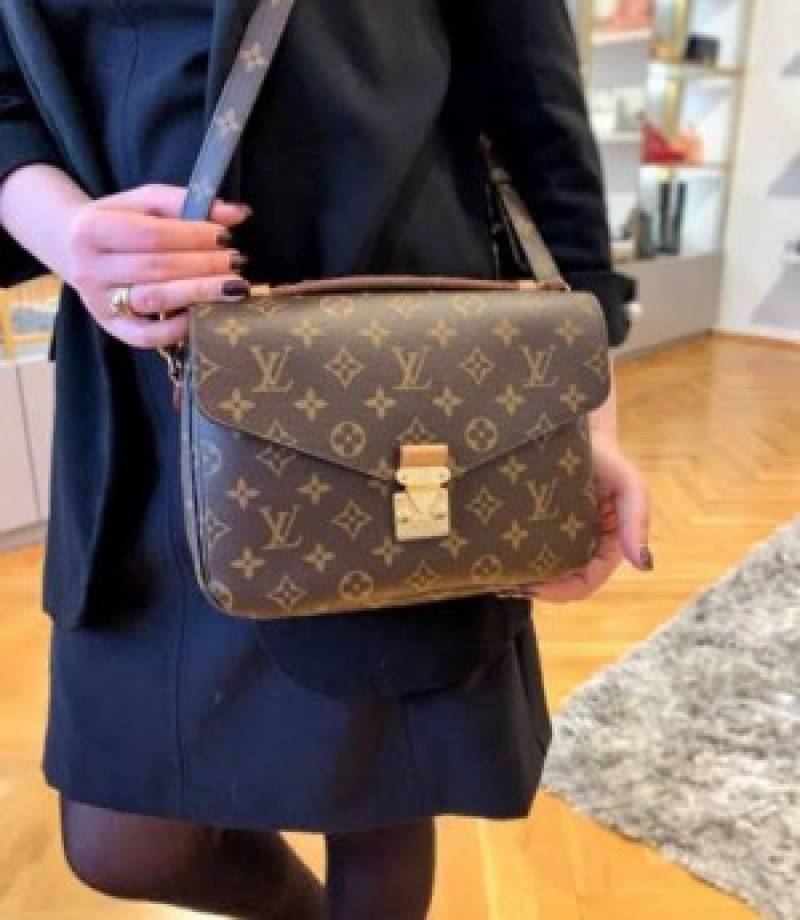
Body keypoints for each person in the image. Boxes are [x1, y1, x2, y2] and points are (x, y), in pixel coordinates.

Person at [0, 0, 652, 917]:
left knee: (379, 790)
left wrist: (590, 418)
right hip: (139, 391)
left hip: (385, 376)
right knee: (125, 844)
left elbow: (534, 110)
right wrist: (70, 235)